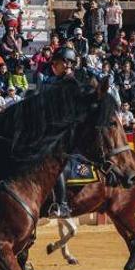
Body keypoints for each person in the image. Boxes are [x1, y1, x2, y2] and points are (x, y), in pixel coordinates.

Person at [41, 47, 79, 218]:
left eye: (56, 63)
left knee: (55, 160)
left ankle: (62, 204)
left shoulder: (70, 83)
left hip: (67, 131)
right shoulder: (58, 82)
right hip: (58, 128)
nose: (53, 67)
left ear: (67, 64)